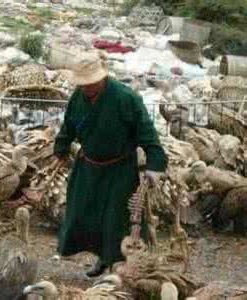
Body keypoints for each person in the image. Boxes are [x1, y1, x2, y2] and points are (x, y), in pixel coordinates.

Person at [54, 50, 168, 277]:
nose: (86, 87)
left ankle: (120, 266)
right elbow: (69, 125)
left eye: (90, 83)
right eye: (82, 83)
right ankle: (102, 258)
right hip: (88, 166)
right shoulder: (78, 97)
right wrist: (61, 147)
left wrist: (155, 165)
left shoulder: (126, 98)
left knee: (116, 220)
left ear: (102, 77)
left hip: (119, 170)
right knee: (85, 214)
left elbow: (146, 133)